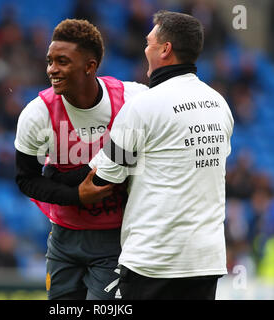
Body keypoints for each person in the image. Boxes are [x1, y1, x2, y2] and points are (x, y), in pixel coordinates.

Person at [46, 11, 234, 300]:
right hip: (205, 261)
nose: (145, 49)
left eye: (149, 43)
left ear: (165, 49)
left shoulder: (143, 106)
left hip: (153, 262)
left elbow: (104, 178)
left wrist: (55, 179)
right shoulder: (219, 105)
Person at [14, 19, 148, 300]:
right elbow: (25, 179)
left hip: (117, 239)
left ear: (90, 66)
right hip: (63, 240)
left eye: (62, 61)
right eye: (50, 61)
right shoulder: (36, 114)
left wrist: (60, 177)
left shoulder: (133, 100)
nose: (52, 69)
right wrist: (76, 195)